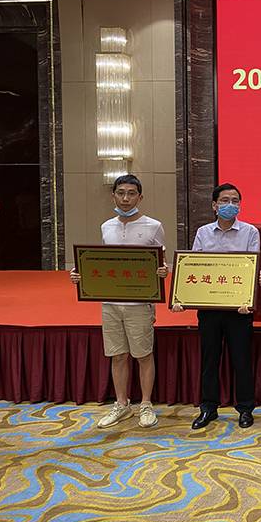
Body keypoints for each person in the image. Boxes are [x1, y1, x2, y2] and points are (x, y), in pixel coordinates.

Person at [70, 174, 168, 429]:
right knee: (117, 354)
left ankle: (145, 404)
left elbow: (161, 262)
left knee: (143, 355)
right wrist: (81, 275)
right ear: (113, 195)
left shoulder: (154, 226)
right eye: (121, 193)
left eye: (131, 193)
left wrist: (163, 271)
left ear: (140, 197)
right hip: (110, 303)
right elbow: (103, 262)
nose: (126, 198)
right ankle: (122, 404)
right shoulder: (106, 227)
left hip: (140, 304)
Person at [174, 183, 260, 430]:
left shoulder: (250, 232)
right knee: (210, 360)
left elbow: (252, 269)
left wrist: (248, 301)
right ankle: (208, 408)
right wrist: (183, 297)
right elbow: (193, 267)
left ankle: (245, 408)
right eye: (224, 201)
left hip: (238, 310)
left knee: (242, 360)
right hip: (210, 309)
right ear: (214, 205)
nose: (230, 205)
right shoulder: (203, 233)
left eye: (235, 201)